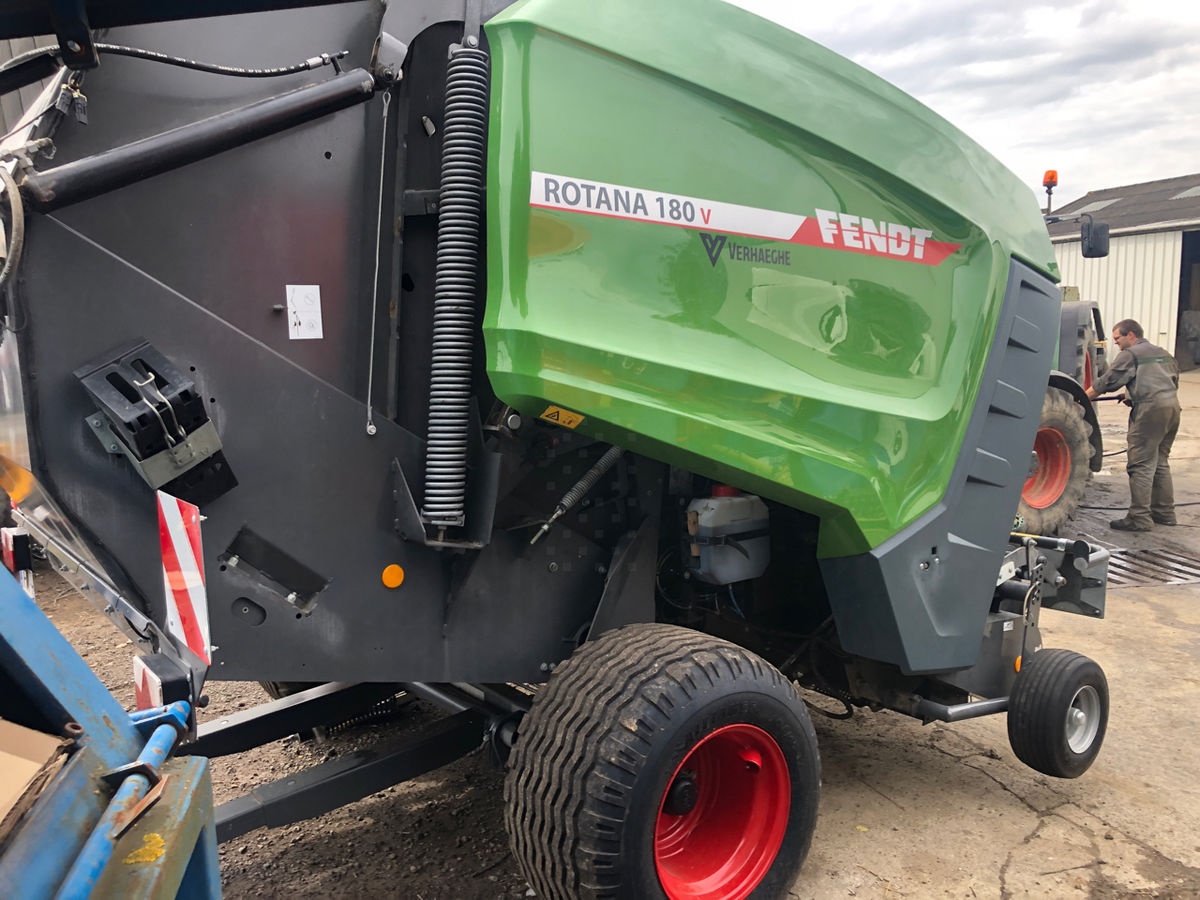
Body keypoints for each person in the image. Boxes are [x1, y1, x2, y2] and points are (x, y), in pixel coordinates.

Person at [1085, 319, 1181, 531]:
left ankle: (1139, 518)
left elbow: (1107, 381)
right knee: (1160, 462)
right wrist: (1131, 393)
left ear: (1131, 335)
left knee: (1140, 464)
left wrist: (1082, 398)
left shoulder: (1131, 354)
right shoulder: (1162, 352)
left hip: (1150, 412)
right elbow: (1170, 381)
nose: (1116, 343)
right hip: (1172, 408)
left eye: (1118, 338)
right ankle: (1164, 513)